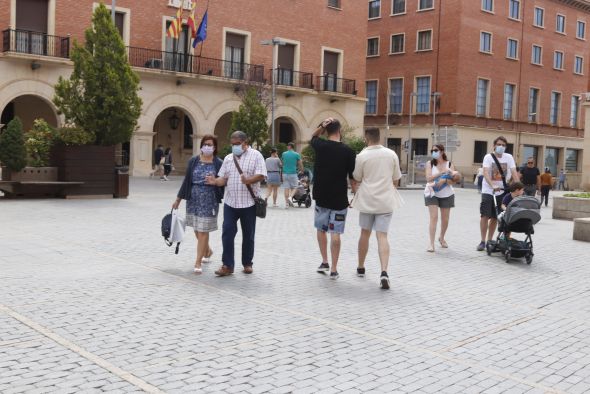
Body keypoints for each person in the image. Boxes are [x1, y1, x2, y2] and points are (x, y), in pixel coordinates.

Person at [205, 131, 267, 277]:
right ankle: (227, 265)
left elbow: (262, 175)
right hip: (231, 203)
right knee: (227, 233)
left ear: (245, 143)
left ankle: (247, 263)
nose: (234, 147)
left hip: (249, 204)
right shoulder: (228, 158)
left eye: (237, 144)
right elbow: (223, 179)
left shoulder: (256, 155)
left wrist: (249, 180)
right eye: (232, 144)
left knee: (248, 235)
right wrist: (215, 181)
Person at [352, 128, 403, 290]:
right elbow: (396, 179)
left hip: (367, 200)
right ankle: (384, 272)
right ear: (379, 137)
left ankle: (361, 267)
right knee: (382, 236)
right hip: (385, 200)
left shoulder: (361, 156)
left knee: (364, 233)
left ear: (367, 138)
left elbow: (357, 177)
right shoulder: (391, 154)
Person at [311, 118, 356, 280]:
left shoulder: (320, 146)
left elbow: (313, 137)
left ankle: (324, 261)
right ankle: (334, 269)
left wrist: (321, 126)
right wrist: (355, 195)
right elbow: (352, 178)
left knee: (321, 229)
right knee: (335, 233)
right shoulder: (348, 151)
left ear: (327, 131)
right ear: (339, 131)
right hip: (339, 199)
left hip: (321, 197)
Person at [173, 135, 223, 274]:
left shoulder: (218, 162)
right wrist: (178, 199)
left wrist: (215, 181)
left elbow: (224, 180)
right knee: (196, 228)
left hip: (209, 199)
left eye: (210, 145)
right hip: (193, 199)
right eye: (205, 144)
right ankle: (208, 251)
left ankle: (198, 261)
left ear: (214, 147)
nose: (207, 147)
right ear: (201, 145)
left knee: (203, 230)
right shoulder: (193, 161)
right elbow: (186, 181)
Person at [477, 136, 520, 251]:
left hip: (502, 191)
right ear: (494, 146)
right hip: (488, 190)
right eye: (499, 144)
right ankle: (482, 241)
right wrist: (492, 185)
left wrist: (519, 188)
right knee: (485, 215)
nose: (501, 147)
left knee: (496, 217)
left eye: (503, 145)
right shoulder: (488, 157)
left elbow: (514, 173)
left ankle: (490, 240)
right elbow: (486, 173)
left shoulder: (509, 157)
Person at [424, 144, 460, 252]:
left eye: (435, 150)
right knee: (434, 217)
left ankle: (442, 237)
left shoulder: (450, 164)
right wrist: (441, 173)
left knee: (445, 219)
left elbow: (453, 180)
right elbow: (428, 179)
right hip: (432, 192)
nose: (433, 152)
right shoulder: (429, 164)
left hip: (447, 194)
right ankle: (431, 244)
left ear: (442, 151)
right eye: (432, 150)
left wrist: (444, 180)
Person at [281, 142, 304, 208]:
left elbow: (282, 163)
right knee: (295, 187)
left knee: (286, 188)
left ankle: (287, 204)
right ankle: (290, 197)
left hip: (285, 173)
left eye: (287, 146)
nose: (287, 147)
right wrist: (302, 170)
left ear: (290, 146)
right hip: (293, 173)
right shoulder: (296, 154)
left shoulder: (284, 154)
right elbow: (300, 163)